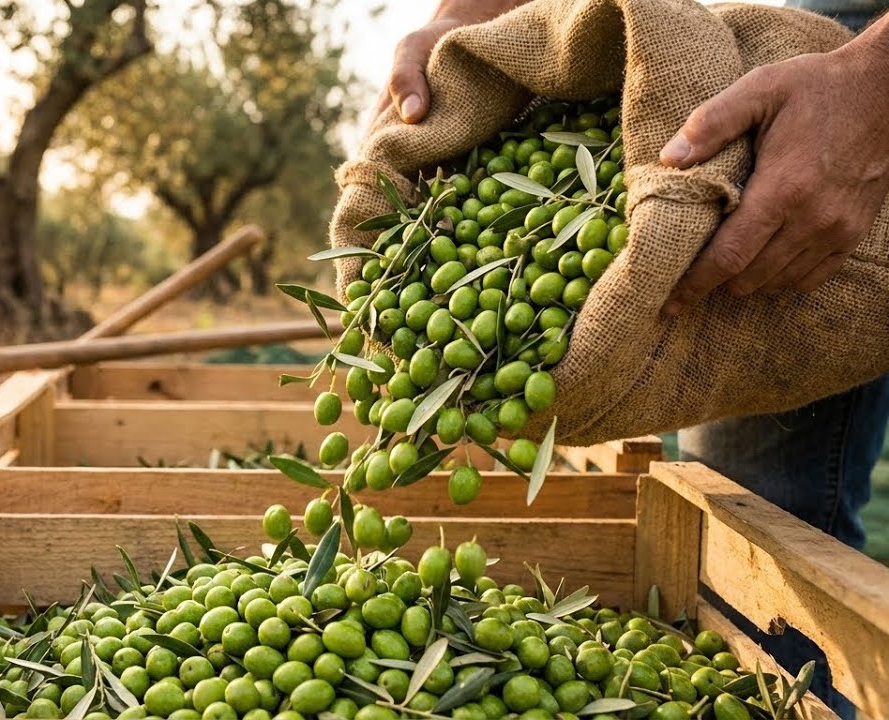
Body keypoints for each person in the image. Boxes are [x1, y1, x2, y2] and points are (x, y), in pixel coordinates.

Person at [378, 1, 889, 717]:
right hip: (735, 61)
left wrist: (875, 84)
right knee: (749, 519)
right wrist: (466, 18)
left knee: (776, 536)